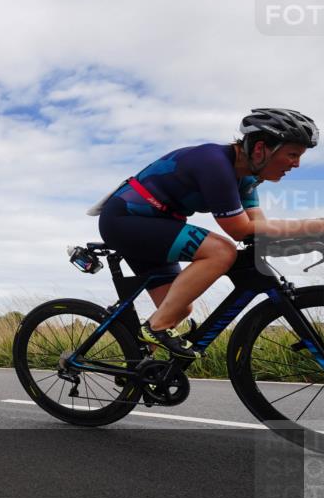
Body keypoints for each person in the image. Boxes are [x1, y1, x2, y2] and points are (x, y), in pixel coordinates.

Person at [96, 108, 320, 358]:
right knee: (220, 251)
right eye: (292, 154)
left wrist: (311, 241)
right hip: (124, 220)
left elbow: (258, 231)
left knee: (178, 308)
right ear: (260, 149)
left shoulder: (245, 178)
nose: (297, 164)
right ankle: (155, 328)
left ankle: (137, 363)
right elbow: (239, 229)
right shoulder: (214, 163)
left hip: (155, 226)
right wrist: (317, 225)